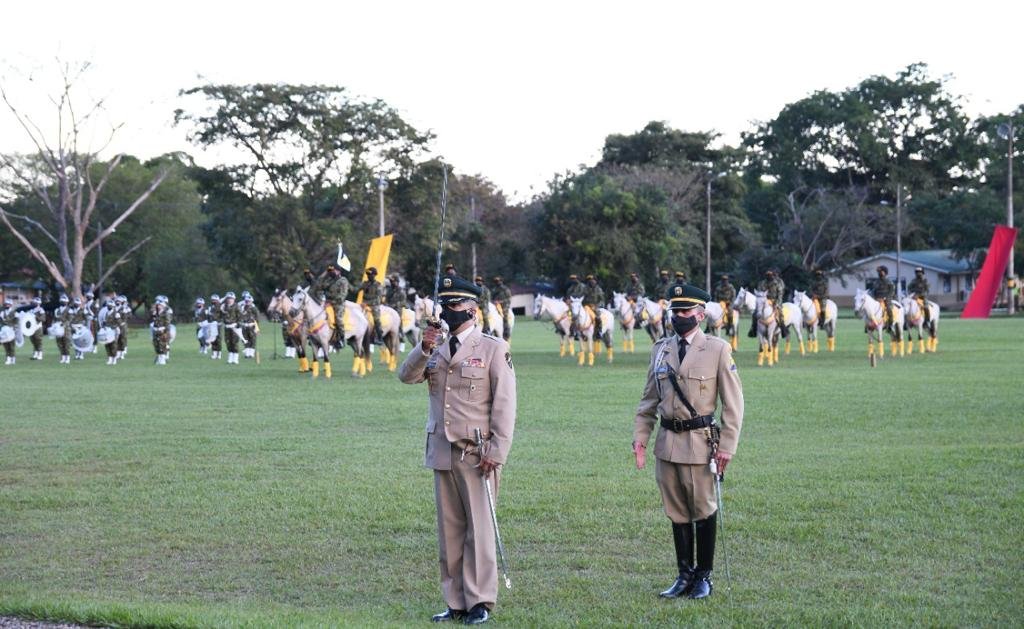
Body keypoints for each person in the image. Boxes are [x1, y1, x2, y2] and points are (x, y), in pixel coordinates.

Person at [398, 275, 517, 625]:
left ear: (472, 309)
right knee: (450, 531)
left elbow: (505, 405)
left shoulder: (493, 348)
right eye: (445, 305)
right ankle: (455, 602)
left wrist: (498, 449)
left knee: (478, 530)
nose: (448, 312)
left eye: (455, 306)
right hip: (441, 450)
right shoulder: (434, 347)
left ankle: (480, 601)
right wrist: (424, 347)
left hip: (477, 452)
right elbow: (406, 376)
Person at [632, 282, 743, 600]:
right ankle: (684, 575)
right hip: (667, 444)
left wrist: (727, 446)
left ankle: (704, 577)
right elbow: (647, 401)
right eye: (675, 311)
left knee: (703, 509)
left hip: (700, 443)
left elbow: (733, 404)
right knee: (677, 511)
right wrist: (640, 437)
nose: (679, 316)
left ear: (700, 313)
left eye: (685, 311)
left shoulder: (718, 349)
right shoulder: (660, 349)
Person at [750, 269, 786, 338]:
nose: (769, 276)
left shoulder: (777, 283)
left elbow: (780, 294)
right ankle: (753, 330)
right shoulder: (762, 283)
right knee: (755, 314)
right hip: (764, 301)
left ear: (772, 275)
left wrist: (778, 303)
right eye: (767, 275)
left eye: (770, 275)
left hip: (775, 301)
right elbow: (759, 293)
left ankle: (783, 329)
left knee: (780, 314)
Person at [361, 267, 385, 344]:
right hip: (363, 305)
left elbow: (378, 299)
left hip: (374, 306)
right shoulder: (365, 284)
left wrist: (367, 303)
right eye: (367, 274)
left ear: (374, 275)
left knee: (377, 320)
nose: (368, 276)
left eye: (370, 274)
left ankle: (380, 337)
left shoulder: (378, 285)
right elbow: (355, 289)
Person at [149, 295, 172, 365]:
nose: (157, 305)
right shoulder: (156, 312)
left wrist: (164, 329)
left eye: (159, 304)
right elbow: (153, 320)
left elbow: (168, 322)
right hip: (156, 330)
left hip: (163, 331)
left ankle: (163, 359)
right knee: (156, 344)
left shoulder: (166, 312)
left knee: (162, 345)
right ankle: (159, 358)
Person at [103, 297, 125, 365]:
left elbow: (120, 323)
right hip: (108, 330)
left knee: (114, 344)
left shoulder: (116, 313)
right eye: (108, 305)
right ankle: (110, 358)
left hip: (114, 330)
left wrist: (119, 329)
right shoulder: (107, 313)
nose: (108, 307)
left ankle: (114, 358)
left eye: (110, 306)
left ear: (112, 306)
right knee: (107, 344)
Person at [582, 274, 605, 338]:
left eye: (592, 280)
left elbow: (602, 300)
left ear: (595, 281)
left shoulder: (599, 289)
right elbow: (581, 298)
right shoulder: (584, 289)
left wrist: (596, 306)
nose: (591, 281)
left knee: (598, 317)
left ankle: (599, 331)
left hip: (595, 306)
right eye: (589, 280)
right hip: (586, 306)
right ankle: (578, 332)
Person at [238, 291, 260, 359]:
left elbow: (257, 319)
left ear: (251, 301)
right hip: (244, 326)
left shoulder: (254, 308)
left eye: (249, 301)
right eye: (246, 301)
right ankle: (247, 354)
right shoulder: (242, 307)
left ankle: (251, 353)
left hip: (252, 326)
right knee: (245, 339)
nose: (247, 302)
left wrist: (257, 328)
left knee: (252, 340)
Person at [222, 291, 241, 364]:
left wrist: (238, 325)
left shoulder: (237, 306)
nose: (229, 300)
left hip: (234, 326)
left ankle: (235, 358)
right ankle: (230, 358)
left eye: (231, 298)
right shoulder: (224, 306)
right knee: (228, 342)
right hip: (227, 327)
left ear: (234, 299)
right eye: (228, 298)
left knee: (234, 342)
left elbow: (240, 316)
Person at [491, 276, 512, 342]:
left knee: (505, 317)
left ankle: (506, 333)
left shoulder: (505, 289)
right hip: (495, 305)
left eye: (499, 281)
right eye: (496, 282)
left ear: (501, 281)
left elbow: (509, 299)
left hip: (504, 306)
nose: (498, 283)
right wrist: (493, 302)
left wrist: (500, 302)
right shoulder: (494, 290)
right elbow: (491, 298)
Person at [564, 274, 586, 339]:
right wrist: (567, 300)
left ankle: (598, 331)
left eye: (574, 279)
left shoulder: (582, 286)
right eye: (572, 279)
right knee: (566, 314)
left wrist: (572, 298)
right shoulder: (571, 287)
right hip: (573, 304)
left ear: (577, 279)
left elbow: (581, 294)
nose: (573, 280)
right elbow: (567, 295)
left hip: (581, 303)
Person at [207, 294, 224, 360]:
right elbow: (208, 316)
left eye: (215, 300)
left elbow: (223, 315)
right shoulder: (210, 308)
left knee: (218, 339)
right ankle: (214, 353)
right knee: (213, 339)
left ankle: (219, 353)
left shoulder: (220, 307)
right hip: (212, 325)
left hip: (218, 324)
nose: (214, 301)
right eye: (213, 300)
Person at [1, 299, 16, 365]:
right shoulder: (2, 312)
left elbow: (15, 321)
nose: (6, 305)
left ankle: (13, 358)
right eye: (6, 304)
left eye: (8, 304)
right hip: (3, 330)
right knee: (5, 345)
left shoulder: (13, 312)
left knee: (11, 345)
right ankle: (8, 358)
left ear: (11, 305)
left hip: (11, 330)